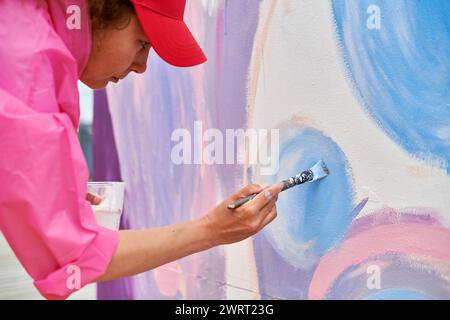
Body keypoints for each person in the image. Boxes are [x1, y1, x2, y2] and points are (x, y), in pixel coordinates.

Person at [0, 0, 282, 299]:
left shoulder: (24, 27)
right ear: (100, 10)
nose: (141, 66)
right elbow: (74, 255)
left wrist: (44, 195)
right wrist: (212, 230)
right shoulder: (30, 72)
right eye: (142, 43)